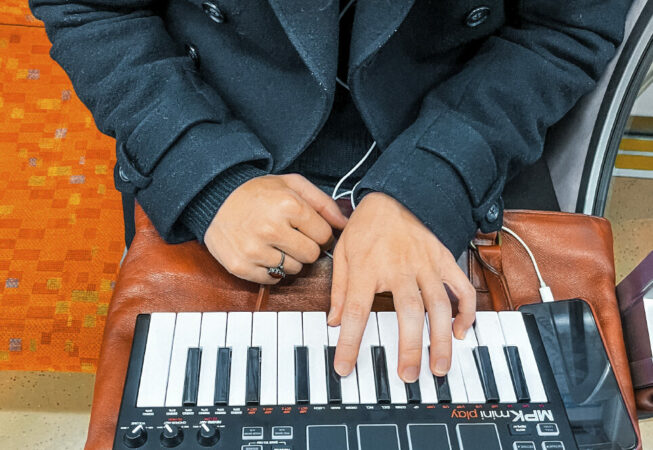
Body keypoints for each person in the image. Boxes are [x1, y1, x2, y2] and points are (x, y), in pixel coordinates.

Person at [30, 0, 631, 384]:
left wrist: (433, 180)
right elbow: (91, 8)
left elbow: (564, 28)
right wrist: (209, 177)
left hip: (461, 128)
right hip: (219, 131)